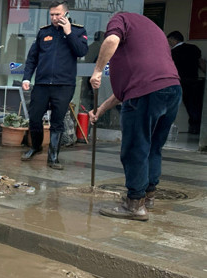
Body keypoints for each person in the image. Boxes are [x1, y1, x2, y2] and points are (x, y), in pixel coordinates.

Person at [89, 13, 181, 221]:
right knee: (153, 146)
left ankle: (134, 204)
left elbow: (111, 40)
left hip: (146, 94)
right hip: (172, 89)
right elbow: (127, 91)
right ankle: (148, 197)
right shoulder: (154, 31)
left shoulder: (119, 18)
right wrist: (100, 110)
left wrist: (97, 70)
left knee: (135, 147)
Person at [20, 1, 88, 169]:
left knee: (57, 122)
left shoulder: (78, 31)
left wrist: (69, 32)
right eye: (52, 15)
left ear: (66, 13)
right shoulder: (44, 32)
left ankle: (53, 157)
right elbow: (32, 58)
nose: (55, 18)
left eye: (58, 14)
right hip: (42, 84)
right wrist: (27, 78)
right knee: (35, 118)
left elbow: (81, 52)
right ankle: (35, 147)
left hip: (64, 85)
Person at [166, 31, 205, 134]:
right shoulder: (194, 48)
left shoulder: (173, 52)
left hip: (182, 81)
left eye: (170, 40)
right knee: (197, 105)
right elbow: (201, 63)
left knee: (189, 105)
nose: (169, 43)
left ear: (174, 40)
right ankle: (198, 127)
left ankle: (194, 127)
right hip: (196, 81)